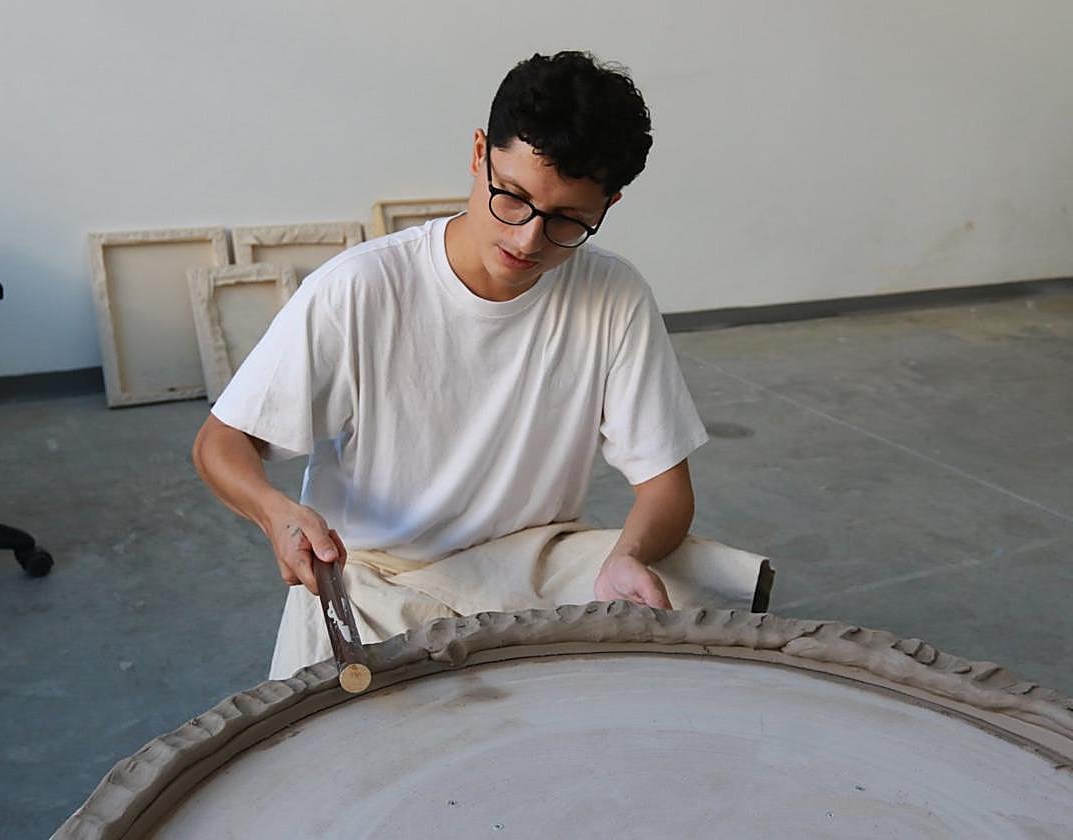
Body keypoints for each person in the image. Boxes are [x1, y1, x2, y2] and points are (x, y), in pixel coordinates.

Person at [193, 51, 744, 679]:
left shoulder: (612, 295)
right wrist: (275, 512)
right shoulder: (363, 288)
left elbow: (666, 488)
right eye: (512, 198)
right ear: (480, 153)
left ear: (608, 205)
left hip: (527, 562)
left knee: (701, 600)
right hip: (375, 574)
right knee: (340, 745)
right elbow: (221, 441)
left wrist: (629, 555)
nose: (527, 240)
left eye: (567, 220)